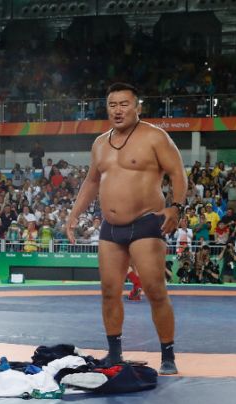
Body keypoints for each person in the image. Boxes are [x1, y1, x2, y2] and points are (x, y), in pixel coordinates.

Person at [66, 82, 187, 375]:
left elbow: (177, 172)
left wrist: (176, 206)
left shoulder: (155, 137)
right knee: (109, 291)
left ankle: (168, 354)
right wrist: (73, 215)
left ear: (137, 107)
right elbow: (92, 182)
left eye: (124, 104)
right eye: (112, 105)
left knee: (155, 290)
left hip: (146, 221)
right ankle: (114, 352)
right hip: (111, 227)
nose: (118, 110)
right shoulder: (99, 143)